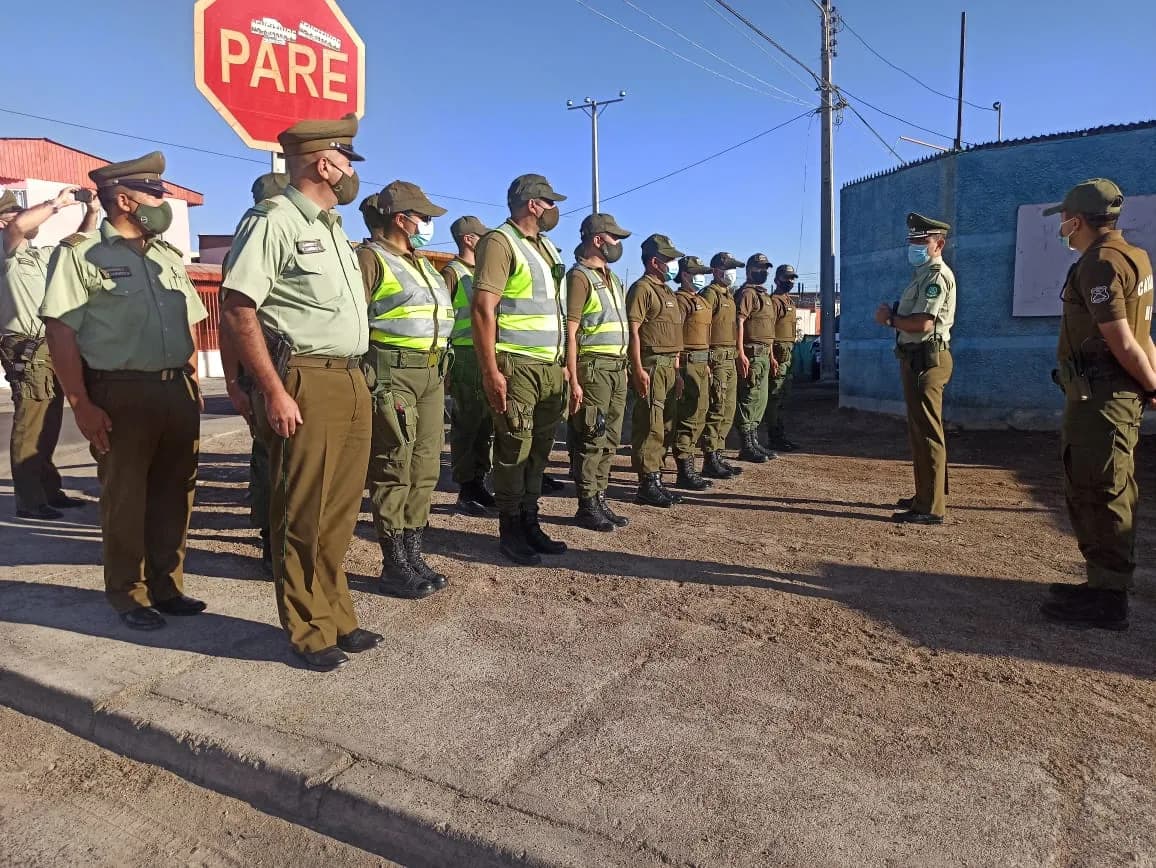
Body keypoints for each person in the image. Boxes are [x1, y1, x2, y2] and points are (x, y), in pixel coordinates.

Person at [220, 115, 381, 672]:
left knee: (339, 510)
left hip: (351, 376)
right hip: (306, 378)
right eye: (345, 161)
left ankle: (337, 614)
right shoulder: (274, 220)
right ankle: (307, 630)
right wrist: (272, 390)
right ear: (324, 162)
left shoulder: (332, 226)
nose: (350, 173)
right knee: (303, 509)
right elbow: (239, 305)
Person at [40, 151, 207, 631]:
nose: (164, 199)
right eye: (155, 191)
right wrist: (81, 404)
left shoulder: (166, 259)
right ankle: (127, 593)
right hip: (120, 392)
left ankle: (167, 584)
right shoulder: (79, 255)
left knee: (176, 494)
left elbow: (189, 323)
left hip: (174, 388)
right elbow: (61, 332)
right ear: (123, 199)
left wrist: (191, 379)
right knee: (126, 496)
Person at [1040, 179, 1156, 631]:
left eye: (1065, 220)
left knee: (1100, 488)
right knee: (1101, 483)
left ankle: (1108, 599)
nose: (1063, 228)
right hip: (1106, 392)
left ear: (1079, 220)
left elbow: (1124, 340)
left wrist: (1150, 385)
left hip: (1104, 396)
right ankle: (1100, 584)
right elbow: (1145, 336)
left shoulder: (1101, 263)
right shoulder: (1134, 256)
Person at [357, 181, 453, 599]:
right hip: (392, 373)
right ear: (402, 219)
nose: (429, 224)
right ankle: (394, 562)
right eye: (424, 217)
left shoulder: (424, 263)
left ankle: (414, 552)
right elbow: (354, 322)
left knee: (425, 467)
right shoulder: (369, 258)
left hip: (431, 374)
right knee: (394, 465)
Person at [471, 174, 569, 566]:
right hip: (517, 365)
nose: (553, 210)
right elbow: (483, 309)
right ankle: (510, 527)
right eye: (548, 203)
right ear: (532, 204)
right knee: (514, 448)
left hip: (548, 366)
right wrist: (491, 371)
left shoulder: (545, 247)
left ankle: (531, 520)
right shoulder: (500, 242)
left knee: (539, 452)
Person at [1, 185, 98, 519]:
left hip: (51, 345)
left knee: (49, 421)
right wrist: (57, 203)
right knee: (31, 422)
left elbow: (74, 247)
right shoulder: (6, 250)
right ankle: (30, 501)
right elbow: (16, 229)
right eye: (13, 213)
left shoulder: (39, 254)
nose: (21, 219)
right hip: (25, 347)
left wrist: (91, 212)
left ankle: (49, 490)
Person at [221, 171, 289, 577]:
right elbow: (233, 322)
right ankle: (270, 538)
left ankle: (284, 533)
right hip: (263, 371)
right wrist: (233, 382)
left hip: (285, 365)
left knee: (286, 458)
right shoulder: (249, 249)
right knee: (269, 457)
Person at [873, 212, 957, 525]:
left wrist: (889, 320)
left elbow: (923, 323)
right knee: (919, 431)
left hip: (927, 358)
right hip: (916, 357)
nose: (915, 246)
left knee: (928, 433)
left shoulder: (936, 276)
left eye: (922, 241)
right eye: (913, 241)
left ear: (939, 243)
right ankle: (926, 494)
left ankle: (932, 506)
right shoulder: (922, 274)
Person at [565, 212, 632, 532]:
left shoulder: (612, 277)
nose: (618, 244)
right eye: (614, 238)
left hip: (617, 368)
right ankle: (587, 503)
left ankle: (600, 496)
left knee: (611, 438)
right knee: (593, 435)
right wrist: (573, 377)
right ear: (597, 240)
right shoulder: (578, 277)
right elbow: (571, 330)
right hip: (594, 369)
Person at [627, 234, 686, 508]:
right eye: (669, 260)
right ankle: (646, 483)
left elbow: (672, 336)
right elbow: (634, 331)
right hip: (650, 366)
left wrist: (677, 371)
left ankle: (657, 477)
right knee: (650, 425)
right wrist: (637, 368)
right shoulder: (642, 289)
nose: (673, 265)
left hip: (668, 368)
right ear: (654, 261)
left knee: (665, 425)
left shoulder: (667, 291)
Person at [443, 215, 496, 516]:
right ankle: (466, 488)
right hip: (464, 355)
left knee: (485, 424)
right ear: (468, 238)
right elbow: (443, 317)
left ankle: (479, 481)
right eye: (481, 236)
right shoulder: (453, 273)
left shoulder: (483, 272)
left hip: (485, 354)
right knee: (467, 424)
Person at [671, 255, 716, 490]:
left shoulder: (699, 300)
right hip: (687, 363)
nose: (701, 277)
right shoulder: (680, 300)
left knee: (700, 413)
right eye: (697, 273)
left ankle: (690, 464)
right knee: (688, 416)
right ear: (686, 275)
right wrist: (677, 370)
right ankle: (684, 469)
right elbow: (675, 335)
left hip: (701, 362)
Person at [699, 252, 745, 480]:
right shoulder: (710, 294)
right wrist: (706, 359)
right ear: (716, 270)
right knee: (716, 407)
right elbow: (702, 326)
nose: (732, 272)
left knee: (727, 408)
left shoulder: (729, 295)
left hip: (729, 357)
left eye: (734, 268)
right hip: (715, 357)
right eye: (728, 268)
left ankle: (718, 454)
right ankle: (709, 458)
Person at [734, 253, 778, 463]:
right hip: (751, 355)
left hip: (763, 356)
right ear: (750, 269)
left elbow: (768, 330)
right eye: (760, 268)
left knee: (761, 400)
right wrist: (740, 352)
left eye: (766, 268)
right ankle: (746, 445)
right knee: (749, 398)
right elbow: (739, 323)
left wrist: (771, 356)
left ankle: (754, 440)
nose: (764, 272)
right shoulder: (747, 294)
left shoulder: (765, 296)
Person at [763, 263, 800, 452]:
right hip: (778, 353)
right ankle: (773, 436)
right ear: (777, 279)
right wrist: (771, 357)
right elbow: (768, 332)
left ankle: (780, 434)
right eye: (787, 278)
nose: (790, 281)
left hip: (788, 354)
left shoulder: (789, 301)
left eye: (793, 278)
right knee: (775, 397)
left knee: (783, 396)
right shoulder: (774, 301)